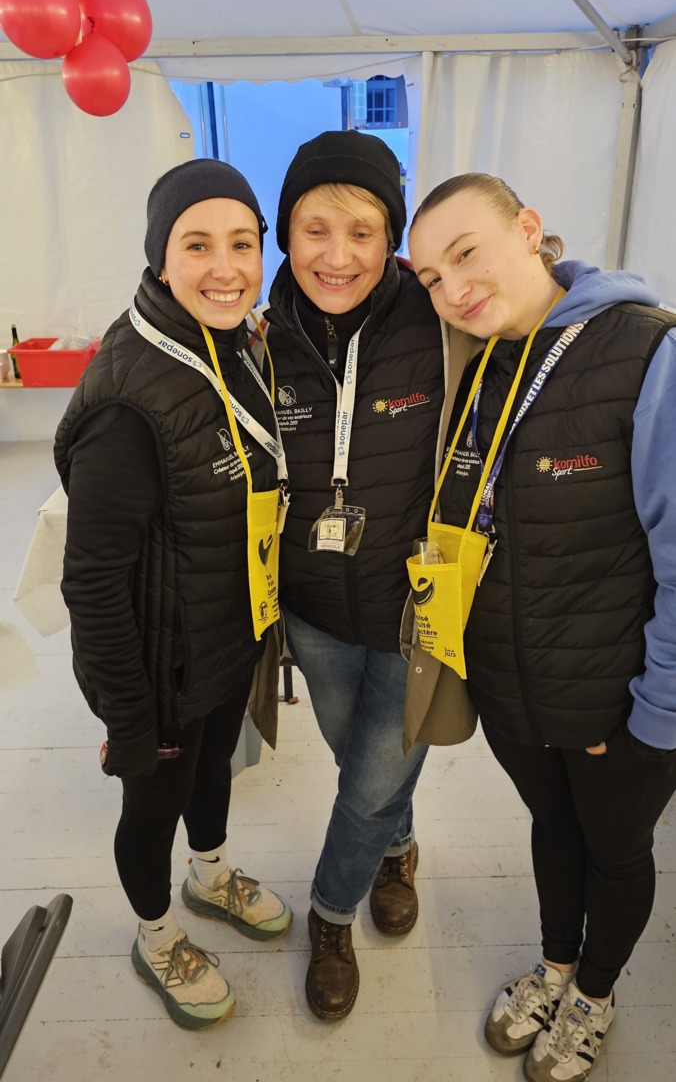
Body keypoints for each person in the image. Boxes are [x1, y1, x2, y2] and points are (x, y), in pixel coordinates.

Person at [407, 171, 676, 1081]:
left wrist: (656, 720)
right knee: (552, 829)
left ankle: (594, 994)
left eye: (466, 254)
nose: (454, 289)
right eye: (432, 278)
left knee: (616, 851)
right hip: (513, 687)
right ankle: (556, 966)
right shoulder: (483, 362)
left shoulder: (647, 351)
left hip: (617, 702)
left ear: (529, 229)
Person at [54, 159, 292, 1032]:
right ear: (160, 257)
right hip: (157, 670)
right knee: (153, 803)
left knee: (215, 768)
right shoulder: (128, 398)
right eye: (197, 246)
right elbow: (91, 581)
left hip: (226, 635)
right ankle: (156, 935)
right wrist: (129, 716)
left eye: (243, 244)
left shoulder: (230, 345)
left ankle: (210, 873)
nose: (226, 268)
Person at [259, 131, 445, 1019]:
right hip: (314, 609)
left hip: (415, 608)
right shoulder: (259, 340)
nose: (337, 256)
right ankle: (398, 850)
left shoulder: (440, 325)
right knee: (357, 756)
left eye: (362, 232)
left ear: (392, 238)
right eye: (315, 230)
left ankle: (330, 916)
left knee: (370, 776)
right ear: (286, 235)